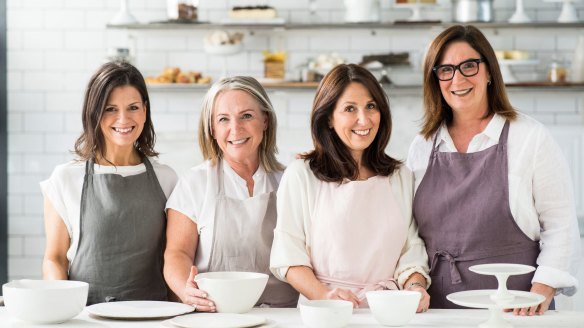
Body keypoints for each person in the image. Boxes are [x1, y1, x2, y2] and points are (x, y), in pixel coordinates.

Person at [407, 25, 580, 315]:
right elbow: (409, 232)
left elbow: (561, 225)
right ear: (435, 79)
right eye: (445, 70)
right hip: (438, 311)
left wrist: (543, 289)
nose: (457, 78)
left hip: (516, 308)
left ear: (489, 72)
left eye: (469, 66)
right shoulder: (423, 145)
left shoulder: (530, 138)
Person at [270, 64, 431, 312]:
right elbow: (288, 258)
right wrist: (326, 296)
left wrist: (415, 286)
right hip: (326, 313)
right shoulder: (302, 175)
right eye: (349, 109)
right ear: (329, 119)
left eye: (371, 106)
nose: (364, 119)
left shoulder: (400, 176)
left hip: (390, 312)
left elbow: (411, 249)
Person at [41, 61, 178, 305]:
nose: (123, 119)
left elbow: (175, 257)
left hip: (154, 315)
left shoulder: (167, 179)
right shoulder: (65, 179)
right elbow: (55, 259)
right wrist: (61, 306)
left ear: (145, 111)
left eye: (133, 107)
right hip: (86, 315)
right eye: (110, 109)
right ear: (93, 113)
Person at [164, 76, 299, 311]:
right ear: (212, 129)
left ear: (265, 120)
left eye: (246, 116)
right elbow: (177, 253)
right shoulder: (194, 183)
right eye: (223, 119)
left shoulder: (289, 180)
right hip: (215, 315)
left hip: (281, 315)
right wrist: (187, 292)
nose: (235, 129)